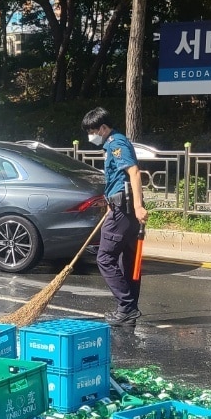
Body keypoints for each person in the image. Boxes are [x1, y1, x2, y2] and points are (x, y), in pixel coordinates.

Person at [83, 107, 147, 325]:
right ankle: (129, 310)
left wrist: (138, 206)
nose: (90, 136)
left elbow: (134, 172)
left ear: (103, 128)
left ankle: (127, 306)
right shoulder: (114, 143)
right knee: (127, 260)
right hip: (122, 207)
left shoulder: (116, 143)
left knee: (105, 258)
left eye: (92, 131)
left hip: (125, 208)